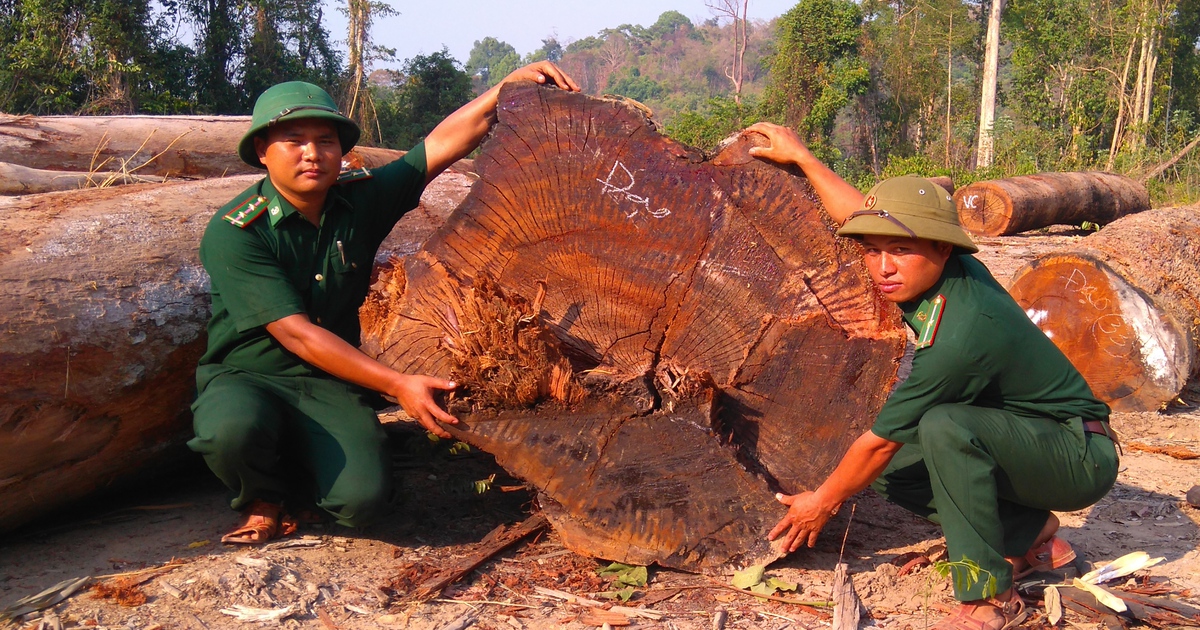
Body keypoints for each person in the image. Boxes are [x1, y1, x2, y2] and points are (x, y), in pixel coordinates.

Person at [746, 123, 1119, 630]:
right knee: (882, 468)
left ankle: (988, 594)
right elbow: (861, 214)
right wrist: (804, 158)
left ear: (943, 249)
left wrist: (822, 503)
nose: (883, 267)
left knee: (936, 430)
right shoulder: (953, 269)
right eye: (873, 250)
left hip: (1077, 455)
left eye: (900, 251)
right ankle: (1028, 530)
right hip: (1019, 435)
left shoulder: (961, 335)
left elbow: (878, 443)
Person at [189, 63, 580, 544]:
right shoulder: (236, 231)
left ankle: (307, 481)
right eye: (294, 140)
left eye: (326, 140)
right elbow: (295, 332)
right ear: (262, 153)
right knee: (229, 431)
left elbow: (437, 148)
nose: (313, 153)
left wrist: (506, 88)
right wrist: (399, 385)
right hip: (248, 374)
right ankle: (261, 497)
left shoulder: (359, 201)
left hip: (329, 379)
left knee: (362, 504)